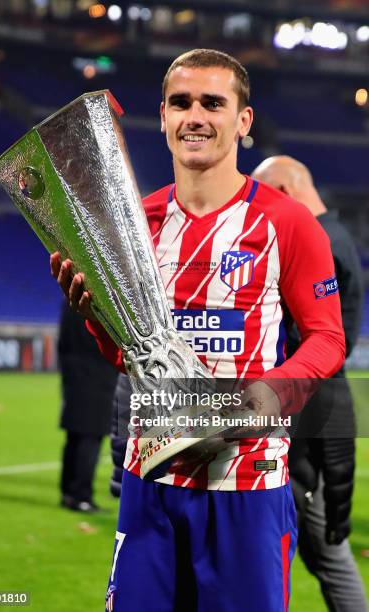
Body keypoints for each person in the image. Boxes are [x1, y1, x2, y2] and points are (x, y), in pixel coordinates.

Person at [50, 49, 345, 611]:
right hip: (151, 477)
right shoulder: (135, 224)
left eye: (214, 102)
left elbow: (328, 337)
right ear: (162, 116)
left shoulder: (288, 223)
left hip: (247, 484)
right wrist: (96, 320)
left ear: (243, 120)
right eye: (181, 103)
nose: (196, 116)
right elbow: (130, 356)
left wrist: (266, 396)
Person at [252, 155, 366, 612]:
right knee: (317, 549)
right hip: (315, 419)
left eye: (264, 199)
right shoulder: (334, 237)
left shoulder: (318, 241)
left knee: (320, 550)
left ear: (283, 191)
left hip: (307, 426)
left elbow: (317, 352)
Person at [58, 300, 118, 513]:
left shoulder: (70, 300)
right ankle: (81, 497)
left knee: (75, 436)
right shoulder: (97, 304)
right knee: (90, 438)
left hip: (74, 375)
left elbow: (63, 342)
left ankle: (68, 493)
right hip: (98, 377)